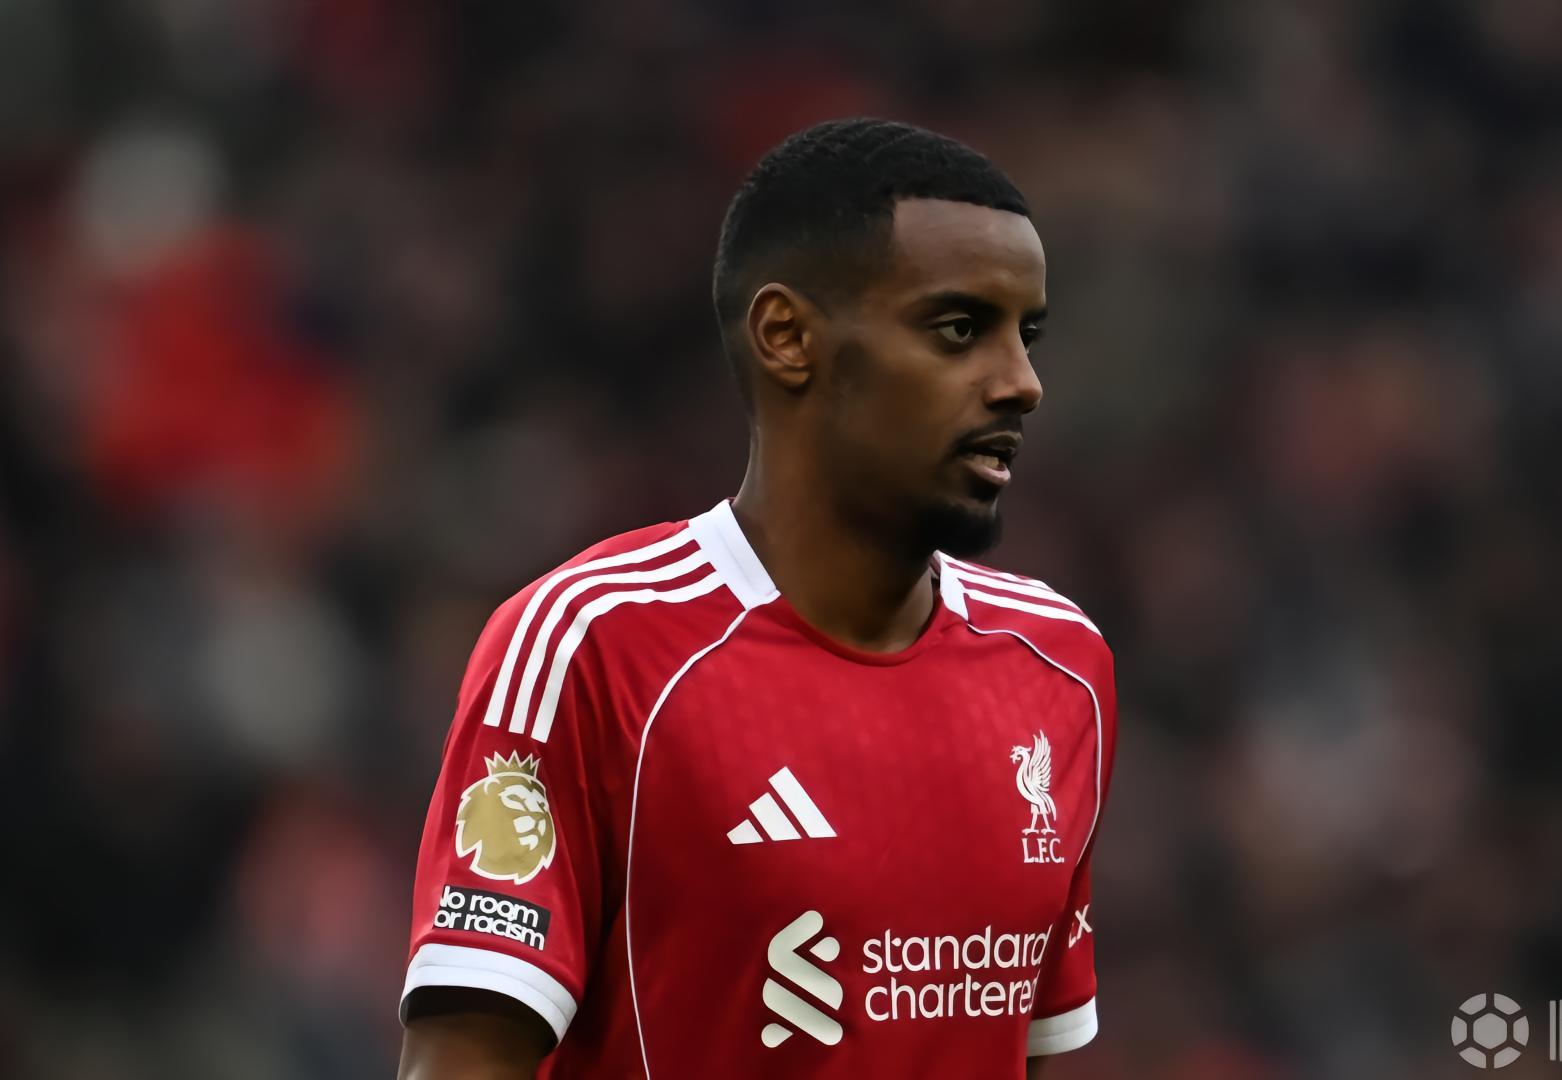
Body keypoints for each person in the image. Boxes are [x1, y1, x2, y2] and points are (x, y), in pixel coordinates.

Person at [396, 117, 1115, 1078]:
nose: (1021, 384)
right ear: (787, 338)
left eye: (1026, 337)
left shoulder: (1060, 668)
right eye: (959, 330)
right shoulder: (593, 647)